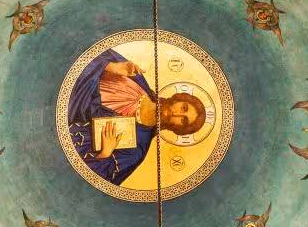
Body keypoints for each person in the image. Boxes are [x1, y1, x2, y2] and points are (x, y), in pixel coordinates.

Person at [67, 50, 207, 184]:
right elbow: (88, 52)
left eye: (183, 120)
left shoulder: (137, 149)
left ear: (178, 129)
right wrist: (109, 66)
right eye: (184, 108)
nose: (177, 113)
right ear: (177, 99)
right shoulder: (135, 77)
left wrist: (105, 153)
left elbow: (95, 181)